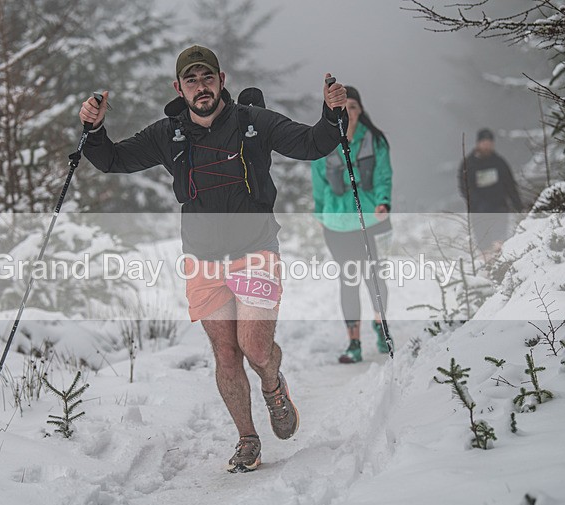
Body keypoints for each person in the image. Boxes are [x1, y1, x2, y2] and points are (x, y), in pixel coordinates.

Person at [78, 45, 347, 472]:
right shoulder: (168, 134)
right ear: (179, 87)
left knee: (254, 347)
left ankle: (274, 386)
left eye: (207, 78)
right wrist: (93, 130)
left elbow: (313, 143)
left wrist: (333, 113)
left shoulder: (253, 122)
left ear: (222, 80)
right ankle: (247, 438)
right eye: (191, 80)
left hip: (255, 250)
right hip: (203, 260)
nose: (200, 87)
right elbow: (113, 160)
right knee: (226, 355)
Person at [311, 86, 393, 364]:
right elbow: (319, 183)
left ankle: (381, 327)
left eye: (354, 106)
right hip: (337, 224)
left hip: (372, 220)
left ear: (360, 110)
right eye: (344, 106)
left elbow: (384, 175)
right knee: (349, 279)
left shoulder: (374, 140)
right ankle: (353, 342)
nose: (349, 112)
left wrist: (383, 202)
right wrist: (321, 214)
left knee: (375, 277)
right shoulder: (323, 143)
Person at [458, 128, 523, 261]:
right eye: (484, 142)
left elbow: (510, 184)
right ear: (478, 143)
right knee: (484, 246)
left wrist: (519, 206)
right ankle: (487, 268)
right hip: (479, 212)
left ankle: (501, 267)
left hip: (499, 208)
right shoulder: (468, 164)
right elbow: (464, 187)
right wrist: (477, 203)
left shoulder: (499, 162)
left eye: (489, 142)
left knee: (500, 242)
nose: (487, 145)